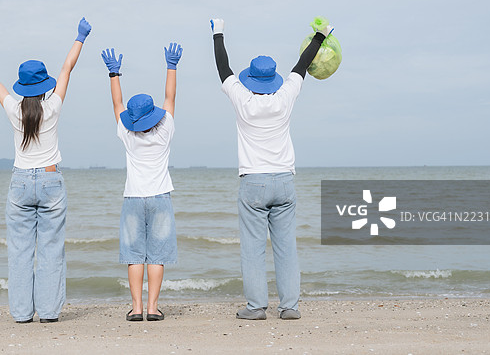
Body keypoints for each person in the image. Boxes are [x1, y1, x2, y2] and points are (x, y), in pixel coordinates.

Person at [0, 17, 92, 323]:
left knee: (19, 252)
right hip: (51, 179)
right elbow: (67, 69)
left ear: (22, 87)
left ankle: (21, 314)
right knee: (51, 250)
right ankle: (50, 314)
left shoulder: (14, 109)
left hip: (19, 184)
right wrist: (80, 37)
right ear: (44, 86)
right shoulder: (53, 106)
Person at [209, 18, 333, 321]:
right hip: (284, 181)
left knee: (253, 249)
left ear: (250, 79)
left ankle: (256, 307)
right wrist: (319, 36)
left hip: (253, 181)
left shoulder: (243, 100)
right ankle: (290, 307)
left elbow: (223, 69)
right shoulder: (285, 97)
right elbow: (301, 65)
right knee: (286, 248)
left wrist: (218, 33)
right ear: (274, 79)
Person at [100, 43, 182, 322]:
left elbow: (117, 105)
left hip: (133, 198)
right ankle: (152, 308)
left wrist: (114, 74)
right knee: (157, 256)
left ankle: (135, 309)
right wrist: (172, 66)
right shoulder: (165, 130)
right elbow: (170, 97)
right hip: (160, 197)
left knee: (135, 255)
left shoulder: (126, 133)